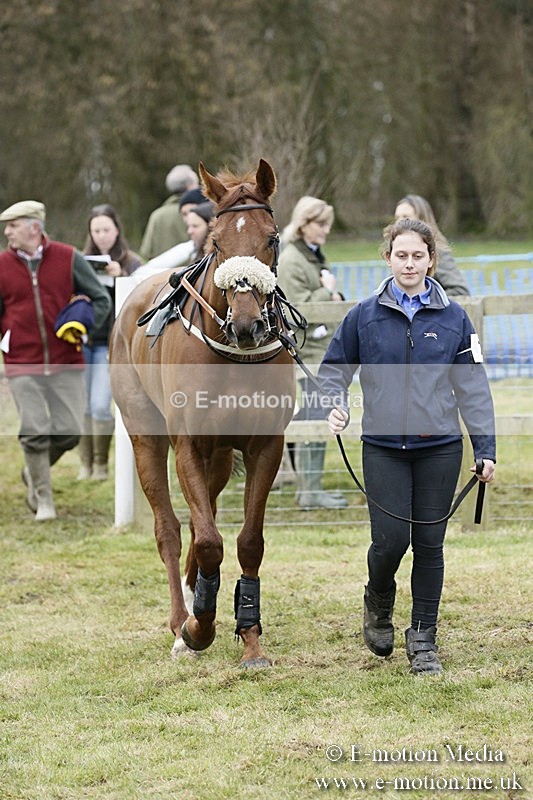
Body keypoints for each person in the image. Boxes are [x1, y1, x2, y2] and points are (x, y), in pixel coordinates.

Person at [319, 217, 496, 674]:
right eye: (402, 255)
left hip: (439, 447)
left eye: (418, 255)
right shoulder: (363, 315)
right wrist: (335, 403)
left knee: (430, 543)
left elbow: (473, 387)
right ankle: (378, 604)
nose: (410, 263)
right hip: (382, 447)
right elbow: (333, 369)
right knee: (390, 541)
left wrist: (485, 447)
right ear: (388, 258)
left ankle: (423, 640)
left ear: (431, 260)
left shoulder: (454, 318)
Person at [0, 200, 112, 521]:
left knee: (70, 432)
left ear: (34, 227)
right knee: (33, 429)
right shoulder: (2, 265)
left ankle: (32, 472)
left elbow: (100, 298)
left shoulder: (68, 257)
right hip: (22, 362)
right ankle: (44, 500)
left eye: (13, 225)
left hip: (66, 360)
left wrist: (86, 330)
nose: (7, 231)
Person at [277, 196, 348, 509]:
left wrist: (334, 294)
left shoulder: (313, 255)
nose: (325, 230)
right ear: (303, 224)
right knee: (314, 418)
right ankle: (310, 492)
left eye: (327, 224)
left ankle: (311, 489)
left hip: (324, 351)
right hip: (308, 354)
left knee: (318, 416)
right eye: (320, 224)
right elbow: (296, 310)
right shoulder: (291, 259)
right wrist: (328, 291)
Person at [79, 204, 143, 480]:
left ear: (117, 230)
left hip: (113, 343)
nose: (101, 235)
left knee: (100, 404)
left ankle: (101, 464)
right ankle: (86, 464)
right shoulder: (80, 263)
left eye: (106, 229)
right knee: (81, 403)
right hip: (83, 339)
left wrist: (123, 279)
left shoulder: (132, 263)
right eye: (96, 230)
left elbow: (140, 304)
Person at [394, 194, 470, 296]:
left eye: (406, 217)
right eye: (397, 218)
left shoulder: (437, 250)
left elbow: (460, 290)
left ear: (422, 219)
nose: (400, 222)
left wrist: (426, 302)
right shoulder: (395, 249)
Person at [131, 199, 214, 287]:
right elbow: (145, 270)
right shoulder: (190, 248)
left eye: (195, 226)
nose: (189, 231)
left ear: (211, 227)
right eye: (189, 226)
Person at [139, 164, 199, 261]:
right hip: (193, 274)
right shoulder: (198, 212)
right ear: (189, 186)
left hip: (163, 275)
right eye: (196, 183)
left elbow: (146, 252)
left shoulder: (156, 215)